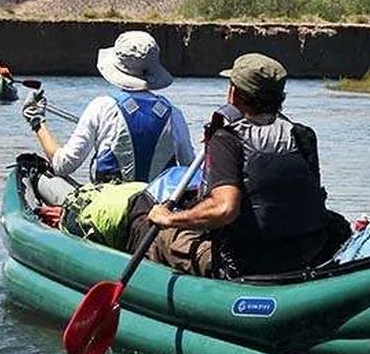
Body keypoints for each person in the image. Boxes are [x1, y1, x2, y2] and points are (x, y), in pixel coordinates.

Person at [136, 52, 330, 278]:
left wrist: (169, 218)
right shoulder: (303, 135)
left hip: (242, 262)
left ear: (234, 93)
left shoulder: (227, 140)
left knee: (163, 237)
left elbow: (224, 209)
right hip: (305, 254)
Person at [22, 31, 194, 199]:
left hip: (109, 208)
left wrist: (37, 121)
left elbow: (63, 165)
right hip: (157, 208)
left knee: (40, 176)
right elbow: (190, 169)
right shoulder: (174, 114)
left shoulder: (101, 107)